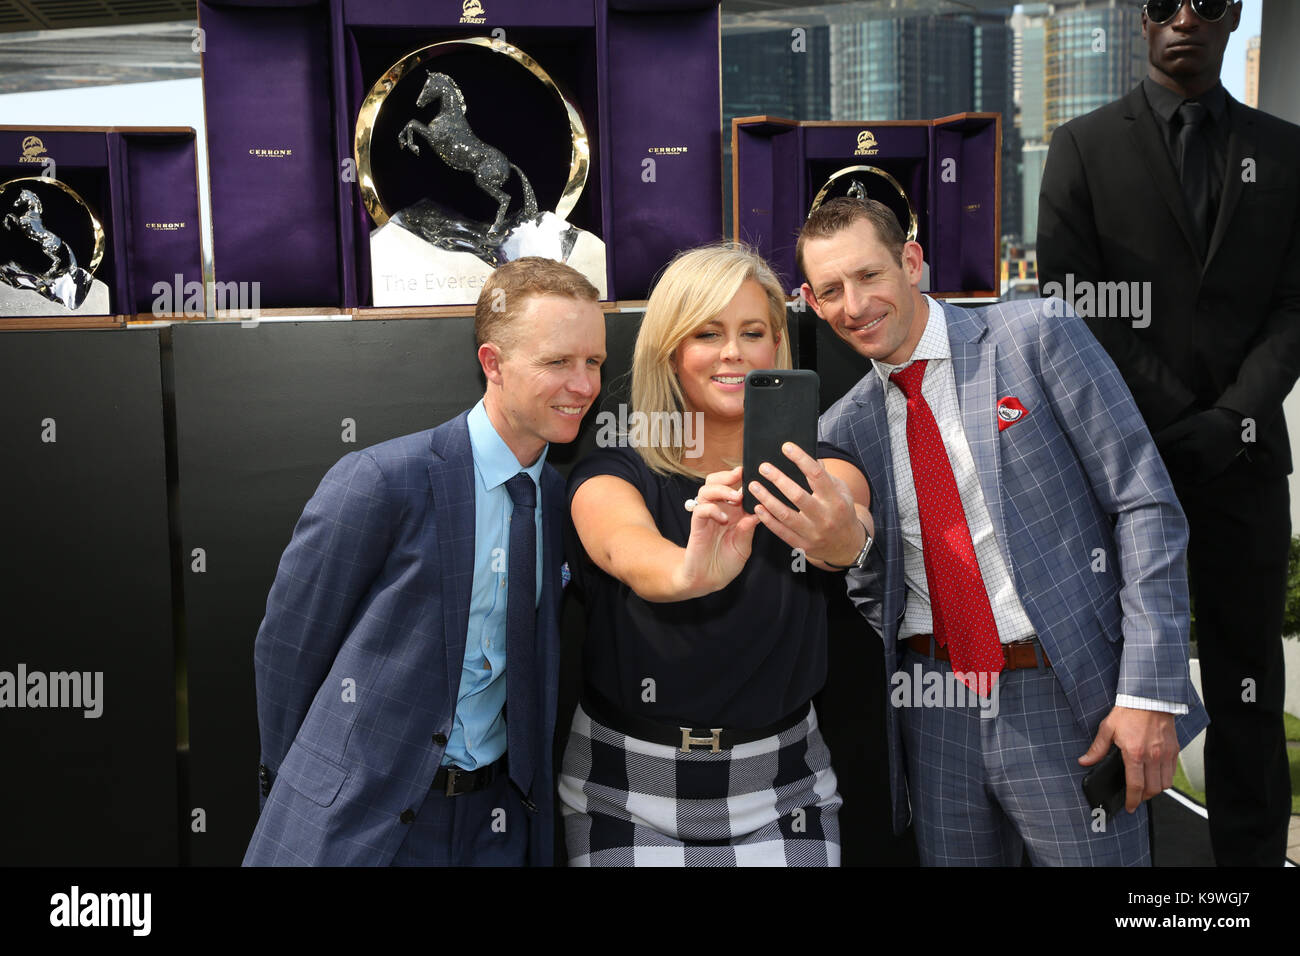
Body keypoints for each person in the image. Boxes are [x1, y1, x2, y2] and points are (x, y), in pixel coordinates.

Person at [800, 198, 1208, 866]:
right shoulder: (843, 431)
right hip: (933, 710)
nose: (855, 304)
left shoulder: (1035, 336)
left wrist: (1146, 692)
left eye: (869, 275)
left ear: (910, 260)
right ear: (814, 305)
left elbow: (1145, 505)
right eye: (831, 291)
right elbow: (871, 586)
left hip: (1068, 698)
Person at [1037, 0, 1299, 866]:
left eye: (1208, 2)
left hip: (1246, 463)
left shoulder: (1286, 152)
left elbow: (1296, 310)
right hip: (1120, 466)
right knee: (1114, 682)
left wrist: (1230, 421)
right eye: (1163, 3)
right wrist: (1176, 423)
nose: (1185, 16)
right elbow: (1073, 304)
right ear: (1138, 22)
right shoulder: (1081, 148)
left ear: (1232, 19)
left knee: (1249, 695)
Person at [242, 257, 606, 866]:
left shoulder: (563, 502)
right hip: (361, 823)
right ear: (492, 363)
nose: (584, 385)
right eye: (557, 362)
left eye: (593, 362)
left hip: (497, 824)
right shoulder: (384, 480)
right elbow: (287, 653)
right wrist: (303, 791)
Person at [559, 242, 874, 866]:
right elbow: (630, 554)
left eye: (752, 332)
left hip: (787, 789)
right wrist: (693, 568)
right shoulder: (611, 471)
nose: (732, 352)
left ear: (776, 345)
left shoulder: (823, 468)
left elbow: (849, 529)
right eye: (707, 332)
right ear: (673, 353)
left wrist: (848, 540)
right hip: (621, 788)